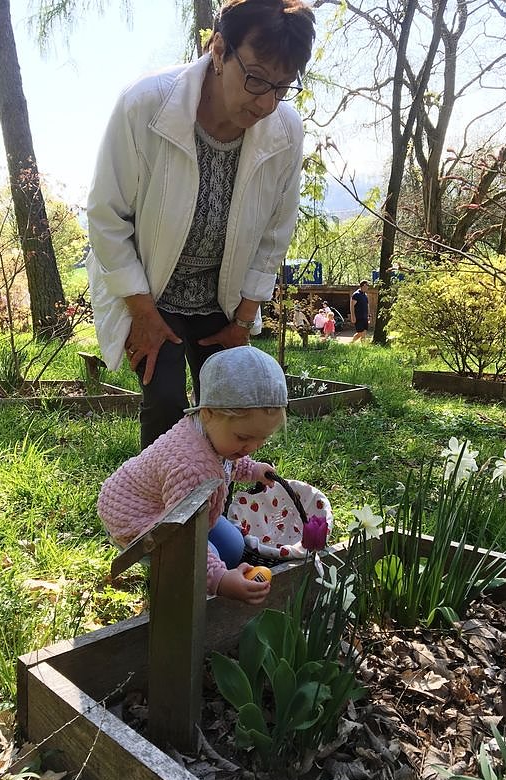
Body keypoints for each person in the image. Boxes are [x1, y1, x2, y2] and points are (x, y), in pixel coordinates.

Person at [86, 0, 315, 450]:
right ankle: (163, 515)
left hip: (222, 297)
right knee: (167, 401)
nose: (266, 102)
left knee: (234, 407)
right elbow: (107, 217)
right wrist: (143, 315)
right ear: (218, 49)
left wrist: (242, 323)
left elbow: (274, 235)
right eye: (255, 78)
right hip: (153, 289)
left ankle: (217, 510)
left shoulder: (285, 131)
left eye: (281, 87)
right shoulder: (146, 104)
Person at [97, 346, 287, 604]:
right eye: (243, 438)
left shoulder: (212, 433)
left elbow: (228, 463)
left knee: (231, 547)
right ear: (208, 413)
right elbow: (183, 536)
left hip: (174, 505)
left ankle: (207, 565)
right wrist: (219, 580)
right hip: (139, 520)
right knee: (192, 566)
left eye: (261, 439)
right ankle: (168, 580)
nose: (250, 447)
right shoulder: (191, 468)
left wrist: (252, 469)